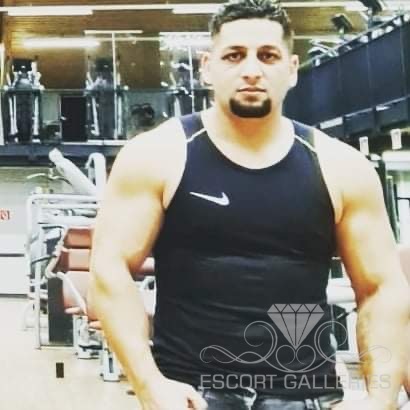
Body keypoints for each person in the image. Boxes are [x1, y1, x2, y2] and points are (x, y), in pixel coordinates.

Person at [89, 1, 410, 409]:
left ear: (292, 69)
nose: (252, 70)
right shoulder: (157, 156)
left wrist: (379, 399)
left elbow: (382, 288)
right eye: (234, 55)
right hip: (193, 395)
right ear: (207, 67)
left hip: (305, 396)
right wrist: (149, 384)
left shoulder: (341, 166)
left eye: (268, 56)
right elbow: (109, 269)